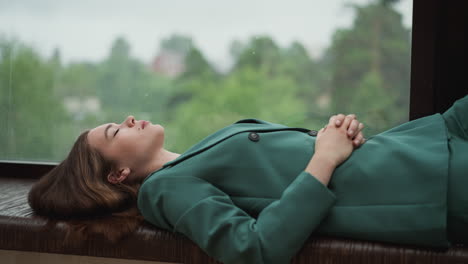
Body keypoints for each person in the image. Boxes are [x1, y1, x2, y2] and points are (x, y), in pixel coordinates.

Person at [28, 95, 468, 264]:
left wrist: (337, 135)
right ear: (119, 174)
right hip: (428, 182)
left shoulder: (193, 156)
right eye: (114, 131)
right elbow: (254, 249)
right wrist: (325, 158)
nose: (126, 119)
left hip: (427, 141)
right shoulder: (163, 190)